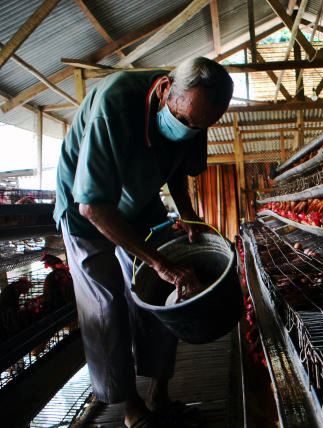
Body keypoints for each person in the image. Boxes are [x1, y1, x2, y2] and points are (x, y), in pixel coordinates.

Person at [53, 57, 234, 428]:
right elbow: (93, 206)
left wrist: (188, 216)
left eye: (199, 127)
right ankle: (132, 407)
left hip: (139, 201)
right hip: (86, 211)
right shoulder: (115, 104)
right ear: (166, 88)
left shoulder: (198, 114)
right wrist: (158, 262)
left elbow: (181, 170)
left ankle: (159, 393)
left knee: (154, 297)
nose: (189, 130)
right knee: (106, 306)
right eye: (183, 121)